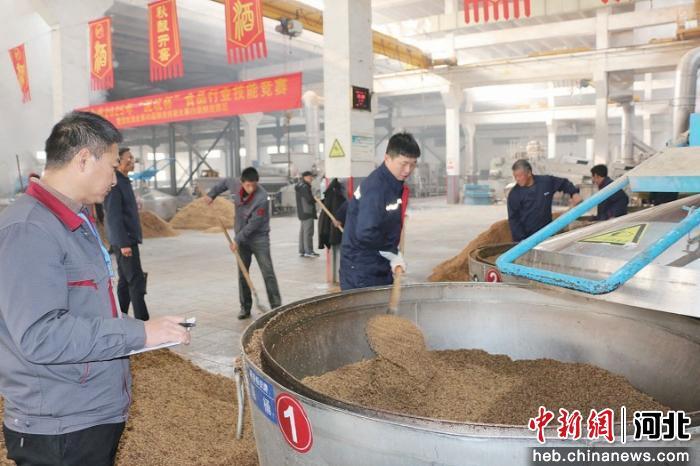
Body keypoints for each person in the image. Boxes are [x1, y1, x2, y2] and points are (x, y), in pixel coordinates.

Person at [0, 111, 190, 466]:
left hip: (85, 411)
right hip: (59, 428)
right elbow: (41, 335)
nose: (115, 179)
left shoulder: (74, 218)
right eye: (112, 166)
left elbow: (85, 307)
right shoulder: (29, 229)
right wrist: (138, 333)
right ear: (84, 159)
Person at [340, 132, 420, 291]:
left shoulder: (393, 184)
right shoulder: (376, 188)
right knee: (368, 307)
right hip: (362, 269)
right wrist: (392, 252)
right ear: (387, 158)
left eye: (413, 164)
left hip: (377, 262)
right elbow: (366, 232)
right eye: (403, 164)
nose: (408, 170)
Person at [206, 167, 282, 319]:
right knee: (243, 273)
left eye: (254, 185)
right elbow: (225, 182)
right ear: (242, 182)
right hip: (241, 238)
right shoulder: (235, 184)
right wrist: (211, 195)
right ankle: (245, 307)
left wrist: (237, 239)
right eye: (248, 185)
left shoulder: (262, 197)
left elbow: (254, 224)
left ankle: (277, 308)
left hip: (259, 238)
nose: (251, 188)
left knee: (268, 272)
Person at [104, 148, 150, 321]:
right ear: (118, 161)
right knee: (136, 281)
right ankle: (143, 322)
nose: (132, 160)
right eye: (128, 157)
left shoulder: (124, 181)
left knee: (125, 280)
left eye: (132, 157)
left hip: (127, 239)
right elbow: (113, 216)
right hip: (125, 241)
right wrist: (123, 243)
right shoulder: (115, 183)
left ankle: (119, 317)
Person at [507, 159, 583, 242]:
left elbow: (564, 183)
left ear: (529, 173)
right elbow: (514, 220)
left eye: (520, 176)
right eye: (515, 176)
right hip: (528, 239)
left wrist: (574, 193)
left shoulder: (546, 182)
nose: (517, 179)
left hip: (548, 234)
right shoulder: (514, 194)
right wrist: (521, 241)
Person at [295, 171, 319, 258]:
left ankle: (303, 250)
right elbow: (309, 199)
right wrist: (316, 199)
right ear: (305, 177)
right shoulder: (305, 187)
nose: (311, 178)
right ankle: (309, 251)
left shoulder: (300, 185)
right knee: (308, 232)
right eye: (310, 177)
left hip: (302, 212)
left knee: (303, 232)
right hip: (307, 212)